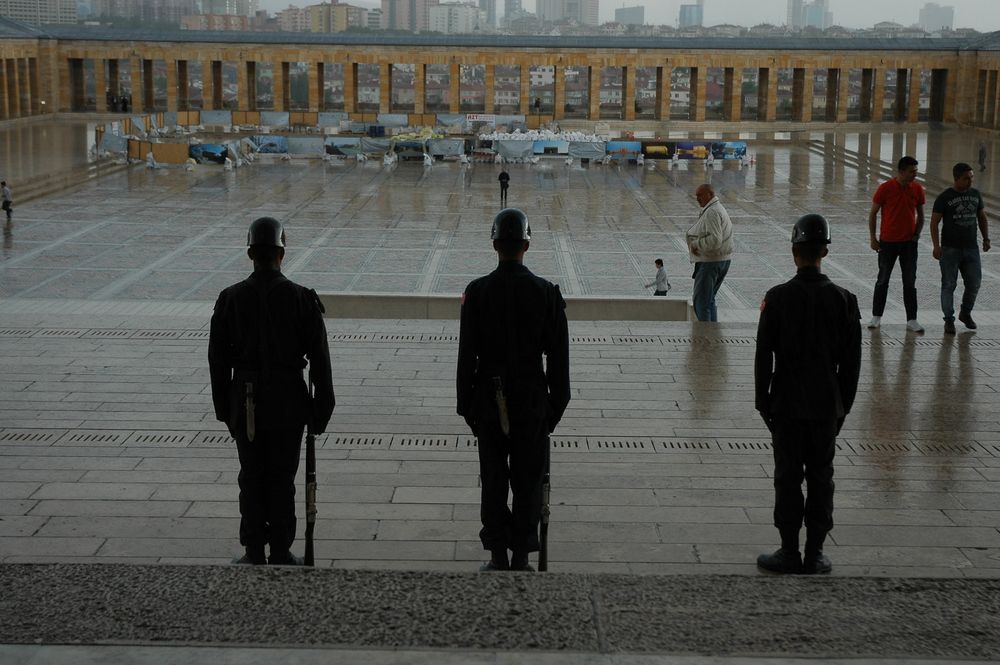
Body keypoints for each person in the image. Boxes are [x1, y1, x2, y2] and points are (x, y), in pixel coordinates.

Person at [208, 216, 335, 566]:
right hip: (287, 400)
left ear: (250, 252)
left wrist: (226, 410)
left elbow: (217, 362)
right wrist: (320, 411)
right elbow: (320, 362)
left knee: (251, 476)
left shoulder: (230, 298)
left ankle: (253, 549)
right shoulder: (301, 299)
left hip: (245, 399)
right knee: (282, 477)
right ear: (282, 252)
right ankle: (280, 547)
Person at [457, 208, 570, 573]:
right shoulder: (547, 293)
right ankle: (521, 555)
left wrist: (467, 408)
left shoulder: (476, 292)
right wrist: (553, 409)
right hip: (532, 398)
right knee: (528, 480)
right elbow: (558, 361)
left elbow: (466, 356)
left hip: (489, 399)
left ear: (495, 244)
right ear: (527, 244)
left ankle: (496, 555)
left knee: (493, 479)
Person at [754, 214, 862, 575]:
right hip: (825, 404)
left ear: (794, 252)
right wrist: (842, 407)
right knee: (821, 476)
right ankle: (815, 552)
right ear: (825, 252)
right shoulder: (845, 300)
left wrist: (762, 401)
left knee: (787, 476)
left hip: (785, 401)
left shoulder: (777, 297)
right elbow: (851, 366)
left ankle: (788, 550)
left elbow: (763, 355)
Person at [930, 162, 992, 334]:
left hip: (971, 248)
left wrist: (986, 238)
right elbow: (934, 222)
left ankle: (965, 312)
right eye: (966, 178)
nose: (970, 181)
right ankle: (948, 320)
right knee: (948, 284)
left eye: (971, 178)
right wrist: (936, 246)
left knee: (974, 283)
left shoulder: (975, 194)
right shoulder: (944, 197)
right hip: (950, 249)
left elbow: (982, 217)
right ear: (956, 178)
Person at [867, 156, 925, 333]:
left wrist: (916, 234)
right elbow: (873, 214)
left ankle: (912, 319)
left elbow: (921, 214)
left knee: (910, 281)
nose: (915, 175)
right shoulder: (885, 188)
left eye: (916, 171)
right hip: (888, 243)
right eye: (911, 172)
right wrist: (873, 238)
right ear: (901, 171)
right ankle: (876, 316)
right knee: (883, 280)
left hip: (908, 243)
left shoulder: (917, 188)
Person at [686, 183, 734, 322]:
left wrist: (696, 245)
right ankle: (712, 333)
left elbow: (715, 240)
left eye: (700, 195)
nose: (697, 198)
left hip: (711, 262)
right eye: (696, 195)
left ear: (710, 195)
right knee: (709, 300)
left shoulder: (712, 212)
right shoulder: (716, 208)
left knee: (701, 303)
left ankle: (705, 337)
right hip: (721, 260)